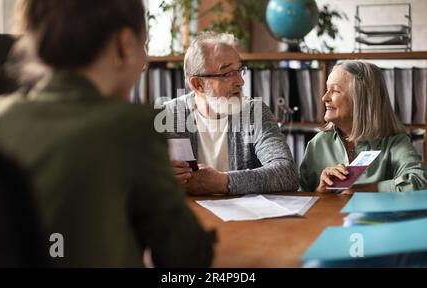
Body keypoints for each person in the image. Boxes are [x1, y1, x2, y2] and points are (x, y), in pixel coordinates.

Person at [0, 0, 215, 267]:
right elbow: (186, 256)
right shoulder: (129, 127)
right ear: (124, 45)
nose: (144, 62)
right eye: (143, 46)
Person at [158, 31, 298, 195]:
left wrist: (221, 182)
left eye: (239, 70)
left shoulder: (254, 113)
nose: (240, 81)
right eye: (228, 74)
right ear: (198, 84)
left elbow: (287, 174)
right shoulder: (169, 115)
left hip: (247, 218)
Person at [299, 60, 427, 193]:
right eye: (327, 89)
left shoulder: (394, 143)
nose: (324, 98)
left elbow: (420, 181)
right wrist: (320, 191)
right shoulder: (317, 144)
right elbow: (299, 197)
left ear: (361, 99)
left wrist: (365, 190)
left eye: (335, 90)